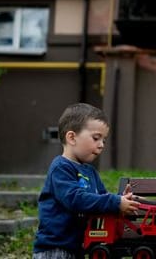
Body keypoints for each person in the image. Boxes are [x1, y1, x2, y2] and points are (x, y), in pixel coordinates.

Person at [33, 103, 140, 259]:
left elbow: (101, 199)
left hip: (80, 248)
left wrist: (121, 202)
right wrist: (115, 202)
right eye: (96, 138)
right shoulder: (61, 168)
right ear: (72, 137)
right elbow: (75, 199)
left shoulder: (90, 172)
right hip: (56, 250)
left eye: (104, 140)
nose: (101, 145)